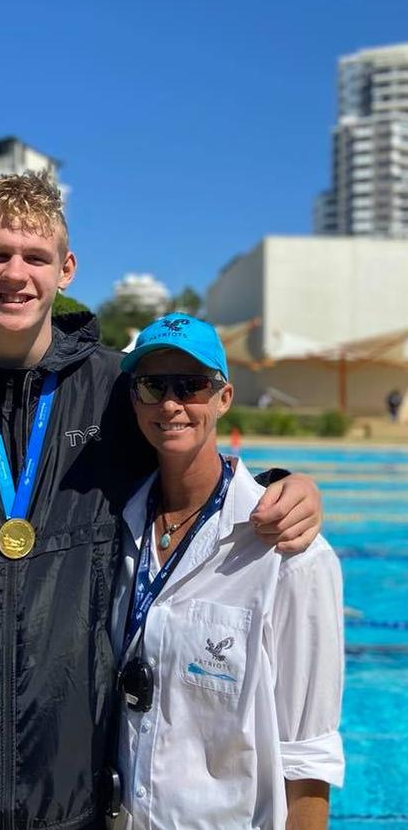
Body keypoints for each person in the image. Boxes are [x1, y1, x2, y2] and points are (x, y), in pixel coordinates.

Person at [0, 173, 323, 830]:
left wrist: (288, 482)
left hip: (69, 789)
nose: (15, 273)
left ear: (66, 269)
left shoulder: (114, 390)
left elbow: (193, 465)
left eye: (35, 256)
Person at [111, 314, 344, 829]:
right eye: (153, 385)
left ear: (224, 398)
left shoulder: (291, 554)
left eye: (191, 385)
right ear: (135, 399)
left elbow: (308, 756)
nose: (171, 403)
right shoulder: (114, 531)